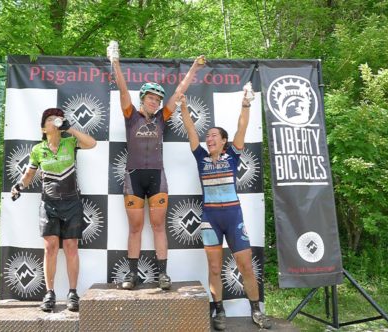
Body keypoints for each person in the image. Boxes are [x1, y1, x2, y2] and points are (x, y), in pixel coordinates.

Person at [110, 48, 205, 290]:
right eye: (151, 98)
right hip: (133, 178)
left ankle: (163, 275)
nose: (155, 102)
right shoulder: (131, 116)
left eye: (158, 99)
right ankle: (132, 275)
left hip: (157, 178)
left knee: (159, 227)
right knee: (135, 228)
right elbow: (122, 90)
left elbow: (180, 91)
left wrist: (194, 67)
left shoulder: (162, 117)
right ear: (142, 98)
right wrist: (115, 62)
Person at [179, 91, 271, 330]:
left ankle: (255, 310)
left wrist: (245, 105)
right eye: (207, 136)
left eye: (213, 136)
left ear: (223, 141)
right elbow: (190, 130)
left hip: (233, 217)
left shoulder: (232, 155)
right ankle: (219, 310)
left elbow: (242, 127)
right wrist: (184, 107)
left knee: (246, 266)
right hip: (210, 218)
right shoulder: (200, 157)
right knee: (213, 268)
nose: (208, 138)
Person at [11, 108, 96, 312]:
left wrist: (71, 129)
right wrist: (19, 185)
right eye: (49, 119)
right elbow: (29, 175)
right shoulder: (38, 149)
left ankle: (73, 293)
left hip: (72, 202)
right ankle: (49, 293)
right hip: (48, 203)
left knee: (71, 247)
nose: (54, 121)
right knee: (50, 247)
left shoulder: (70, 142)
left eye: (57, 118)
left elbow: (92, 144)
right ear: (43, 127)